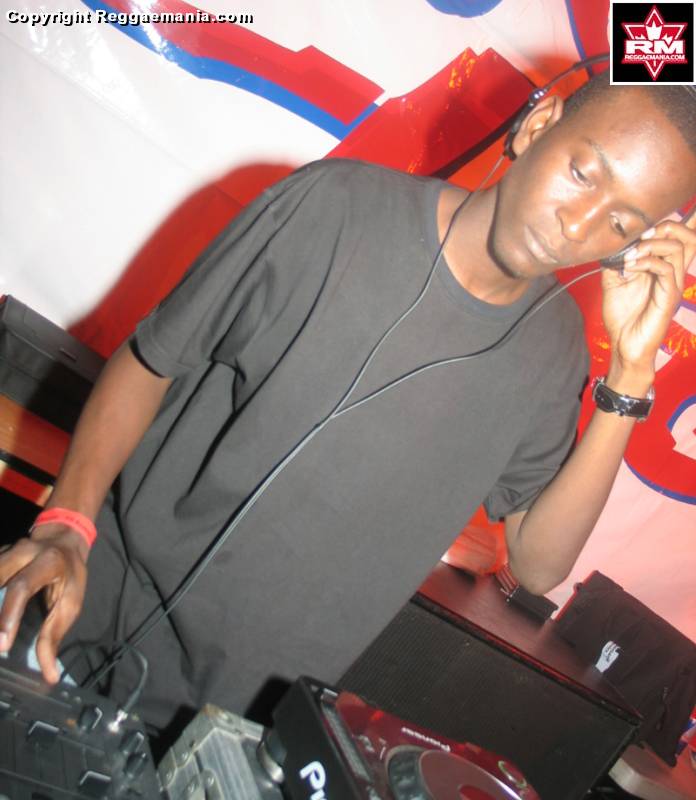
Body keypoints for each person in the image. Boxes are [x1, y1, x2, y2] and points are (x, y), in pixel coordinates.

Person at [0, 73, 695, 734]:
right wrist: (68, 522)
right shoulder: (334, 207)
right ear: (538, 125)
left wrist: (631, 375)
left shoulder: (555, 352)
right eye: (583, 173)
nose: (578, 224)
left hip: (226, 718)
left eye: (620, 223)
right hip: (80, 603)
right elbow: (152, 361)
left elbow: (538, 565)